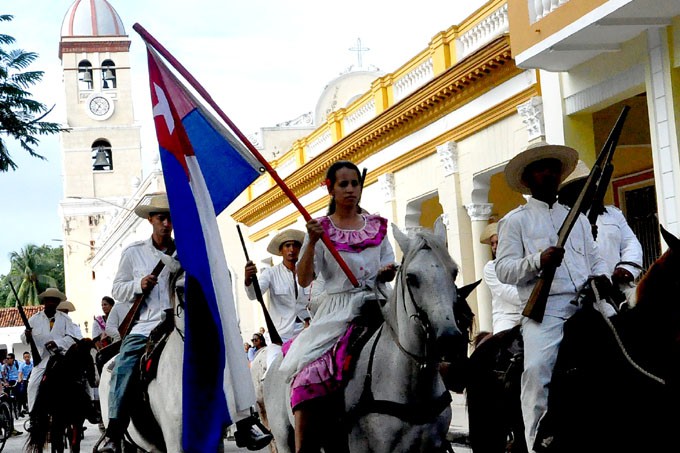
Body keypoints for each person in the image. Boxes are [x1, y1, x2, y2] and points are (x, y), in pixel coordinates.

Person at [97, 193, 272, 452]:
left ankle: (244, 421)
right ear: (150, 220)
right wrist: (138, 284)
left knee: (225, 359)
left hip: (184, 325)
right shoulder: (133, 253)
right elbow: (118, 289)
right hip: (146, 327)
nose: (166, 224)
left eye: (170, 218)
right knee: (124, 365)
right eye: (161, 218)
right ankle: (114, 432)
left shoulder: (187, 252)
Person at [494, 142, 610, 451]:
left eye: (553, 168)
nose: (549, 173)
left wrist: (603, 275)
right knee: (537, 369)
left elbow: (595, 259)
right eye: (540, 168)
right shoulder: (515, 221)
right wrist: (537, 261)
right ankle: (535, 442)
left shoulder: (578, 219)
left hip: (588, 301)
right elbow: (503, 269)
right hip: (548, 310)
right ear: (528, 178)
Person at [279, 160, 397, 452]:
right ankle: (305, 445)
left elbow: (388, 263)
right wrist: (312, 243)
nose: (350, 190)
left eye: (355, 183)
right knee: (307, 372)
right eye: (343, 184)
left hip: (379, 301)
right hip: (339, 311)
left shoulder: (378, 226)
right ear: (330, 188)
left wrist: (387, 272)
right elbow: (305, 279)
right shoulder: (319, 229)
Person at [557, 160, 644, 300]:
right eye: (582, 186)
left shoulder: (614, 214)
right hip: (580, 296)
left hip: (619, 289)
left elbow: (630, 243)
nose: (593, 188)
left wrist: (627, 268)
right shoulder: (560, 221)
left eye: (592, 184)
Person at [20, 288, 83, 418]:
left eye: (54, 301)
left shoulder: (65, 319)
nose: (51, 303)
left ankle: (86, 410)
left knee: (80, 381)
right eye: (48, 300)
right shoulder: (34, 319)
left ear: (58, 302)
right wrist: (27, 335)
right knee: (32, 385)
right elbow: (23, 339)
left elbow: (72, 338)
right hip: (42, 361)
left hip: (62, 358)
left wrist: (57, 343)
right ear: (44, 302)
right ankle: (33, 416)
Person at [244, 228, 310, 344]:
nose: (292, 249)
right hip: (280, 335)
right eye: (287, 245)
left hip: (307, 331)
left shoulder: (309, 272)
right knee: (273, 361)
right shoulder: (270, 273)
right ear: (281, 251)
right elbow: (254, 294)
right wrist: (248, 280)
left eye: (295, 245)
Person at [480, 222, 522, 333]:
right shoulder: (490, 268)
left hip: (527, 314)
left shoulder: (521, 262)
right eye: (492, 244)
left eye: (497, 242)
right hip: (506, 317)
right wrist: (532, 300)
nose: (494, 247)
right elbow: (506, 292)